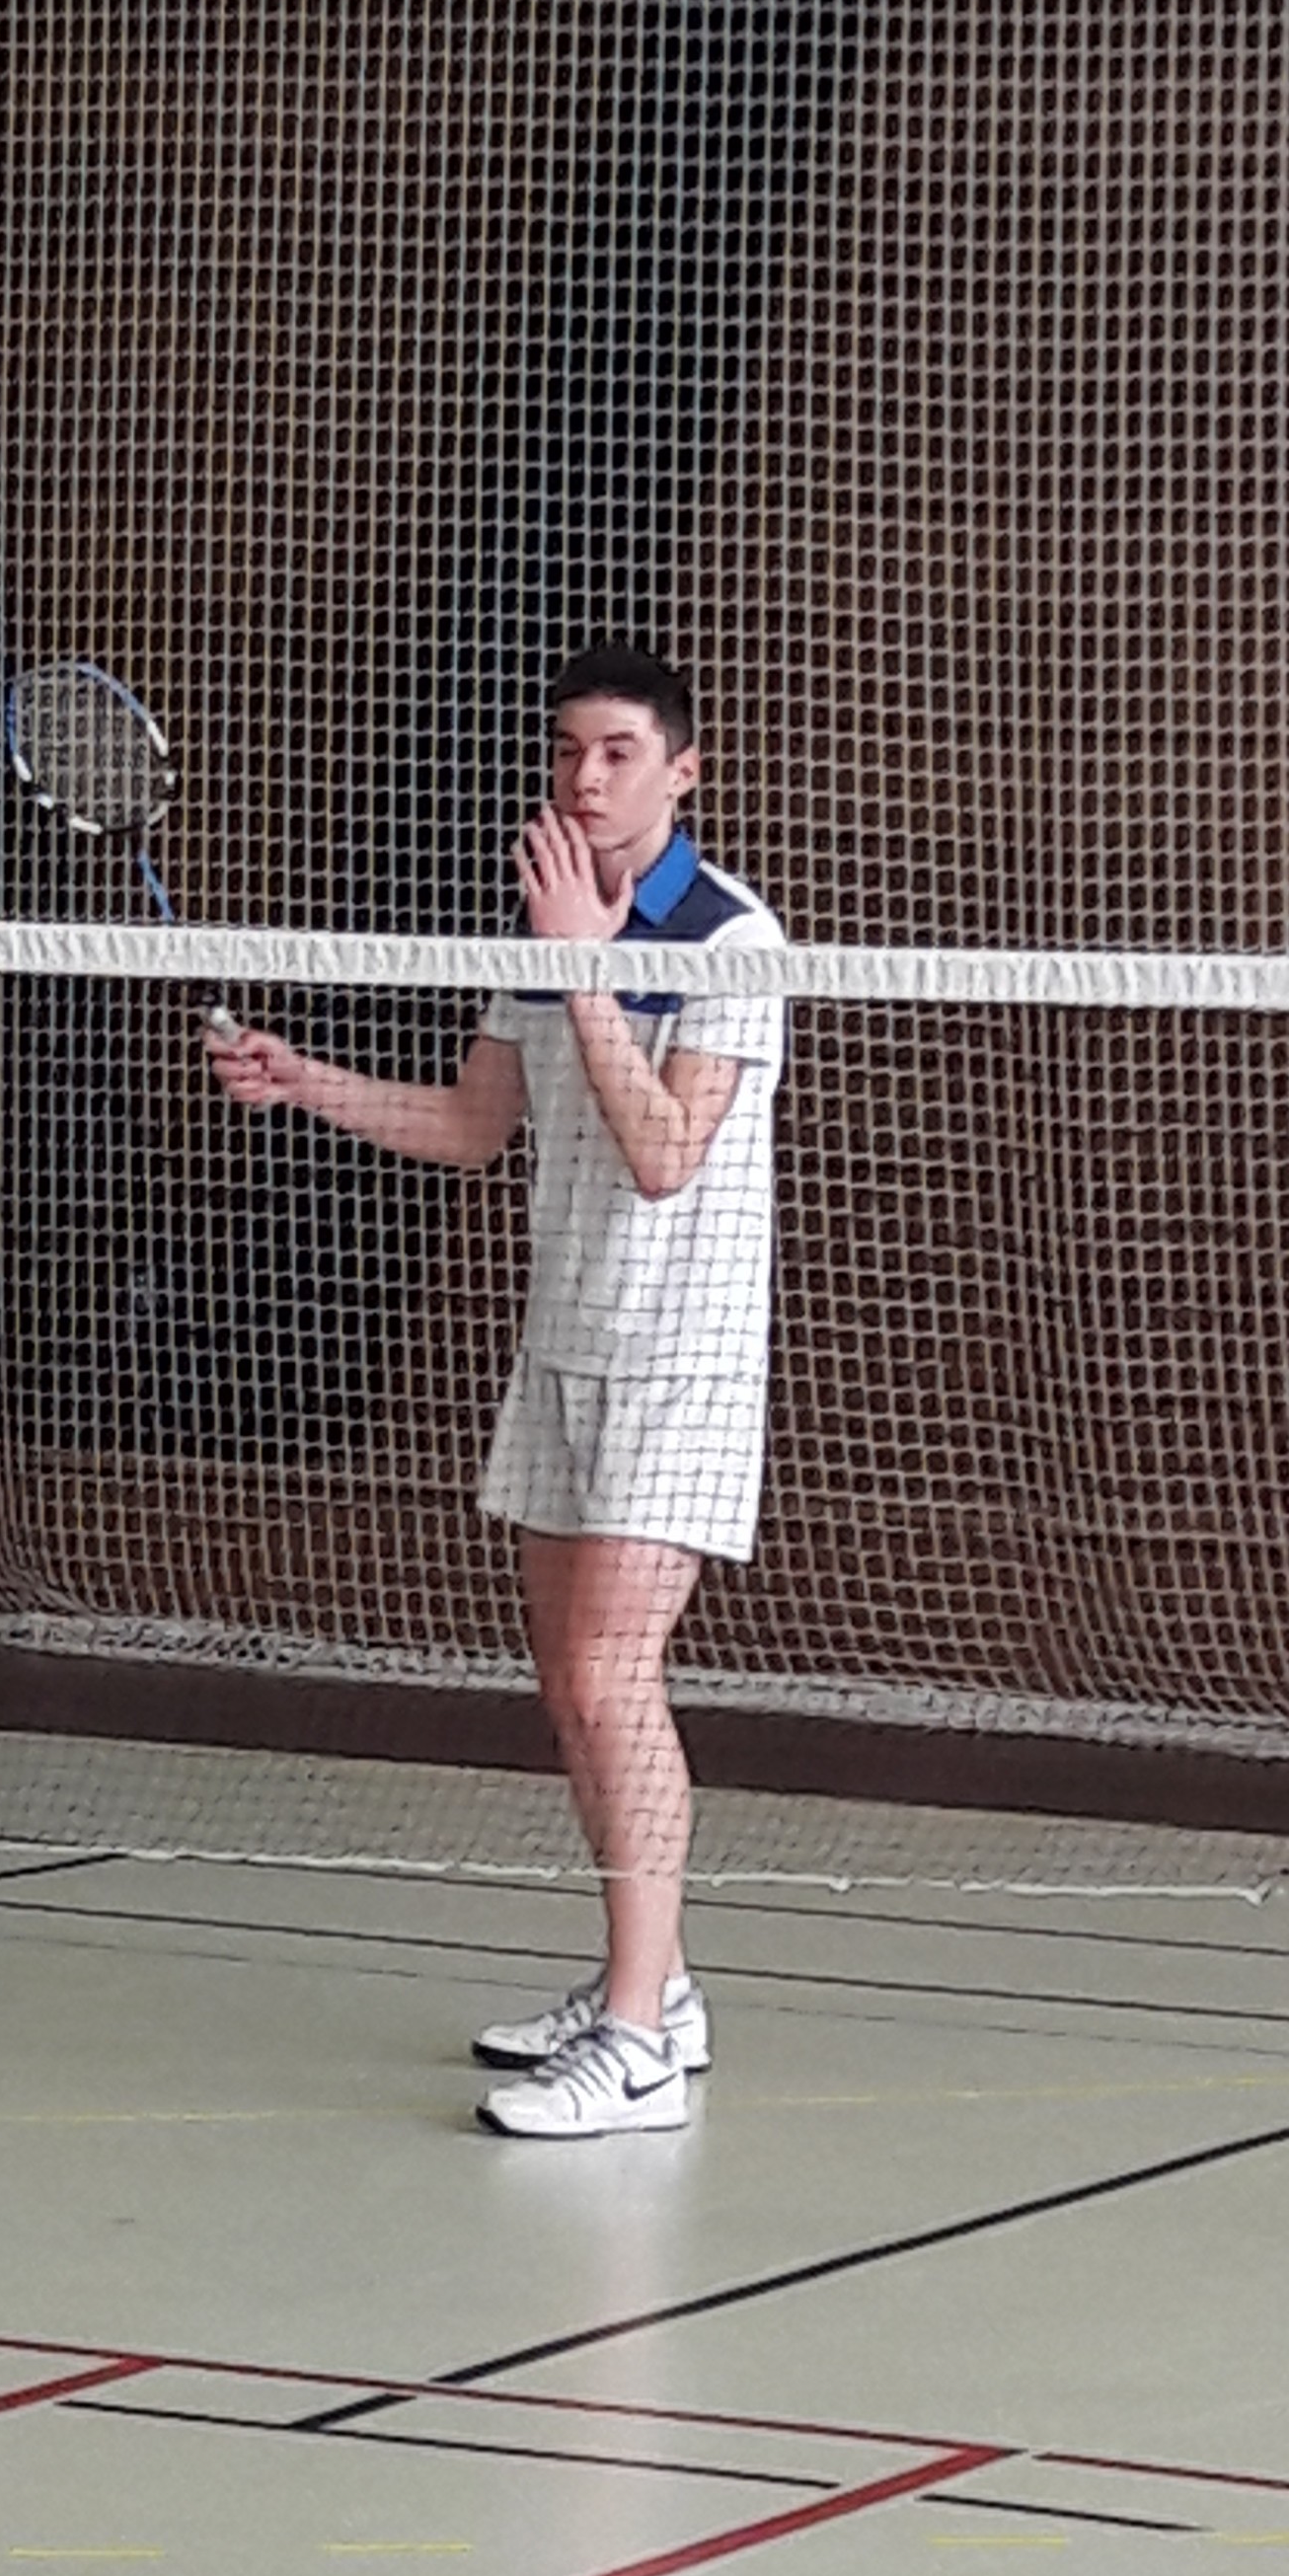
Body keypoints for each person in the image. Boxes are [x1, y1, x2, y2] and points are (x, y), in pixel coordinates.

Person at [209, 641, 787, 2138]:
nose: (584, 778)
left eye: (617, 752)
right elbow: (474, 1126)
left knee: (611, 1678)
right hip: (563, 1346)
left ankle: (638, 2045)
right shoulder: (545, 934)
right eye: (566, 750)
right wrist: (309, 1081)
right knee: (566, 1685)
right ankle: (653, 1991)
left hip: (679, 1360)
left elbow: (663, 1156)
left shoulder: (730, 940)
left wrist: (586, 966)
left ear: (683, 771)